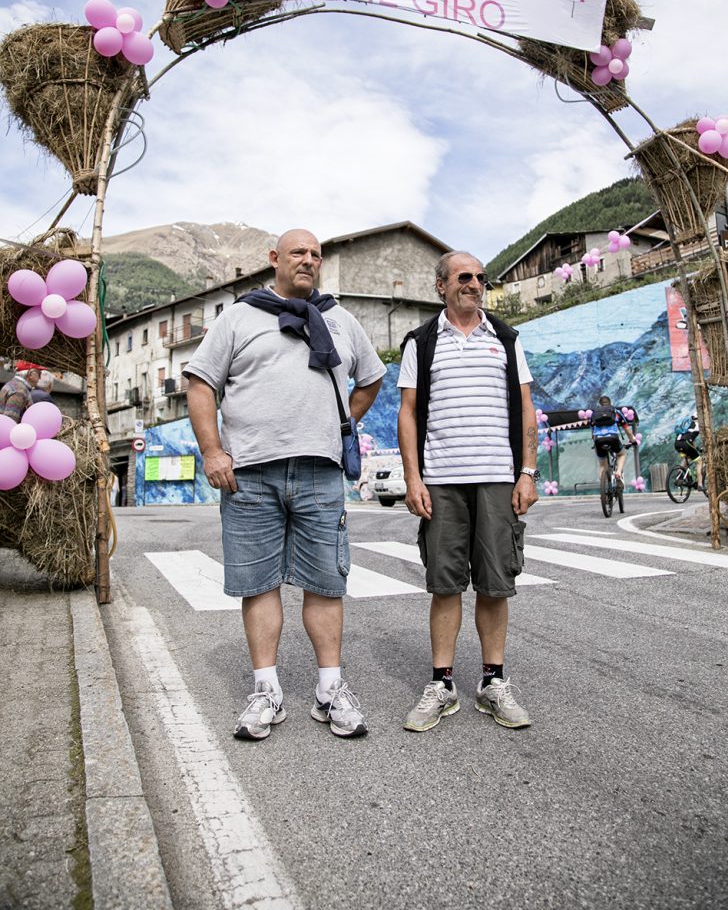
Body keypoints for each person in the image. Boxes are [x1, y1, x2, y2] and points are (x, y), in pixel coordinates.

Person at [184, 229, 386, 742]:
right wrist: (212, 451)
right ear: (274, 258)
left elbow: (371, 378)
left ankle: (330, 690)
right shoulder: (239, 317)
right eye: (298, 252)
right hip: (250, 472)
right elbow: (201, 383)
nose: (309, 260)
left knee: (325, 581)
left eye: (316, 254)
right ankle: (266, 692)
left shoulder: (340, 319)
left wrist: (342, 425)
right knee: (258, 583)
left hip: (320, 471)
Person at [397, 250, 539, 734]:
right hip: (441, 480)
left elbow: (526, 407)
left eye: (480, 277)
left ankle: (492, 682)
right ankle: (442, 684)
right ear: (441, 285)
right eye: (463, 276)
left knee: (496, 584)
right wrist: (413, 478)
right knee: (444, 584)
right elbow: (408, 413)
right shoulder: (422, 342)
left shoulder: (506, 338)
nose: (474, 283)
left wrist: (527, 472)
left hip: (498, 477)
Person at [589, 396, 637, 485]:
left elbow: (593, 434)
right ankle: (618, 472)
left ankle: (603, 485)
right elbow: (627, 430)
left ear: (600, 404)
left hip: (598, 440)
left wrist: (596, 444)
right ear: (610, 403)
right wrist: (633, 441)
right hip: (612, 438)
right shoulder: (615, 412)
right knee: (621, 454)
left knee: (602, 466)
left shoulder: (594, 414)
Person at [674, 413, 701, 487]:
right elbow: (689, 440)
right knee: (699, 462)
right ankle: (700, 485)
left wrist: (695, 447)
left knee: (687, 458)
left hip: (677, 443)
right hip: (686, 443)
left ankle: (679, 476)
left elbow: (690, 439)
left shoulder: (687, 425)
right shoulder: (697, 425)